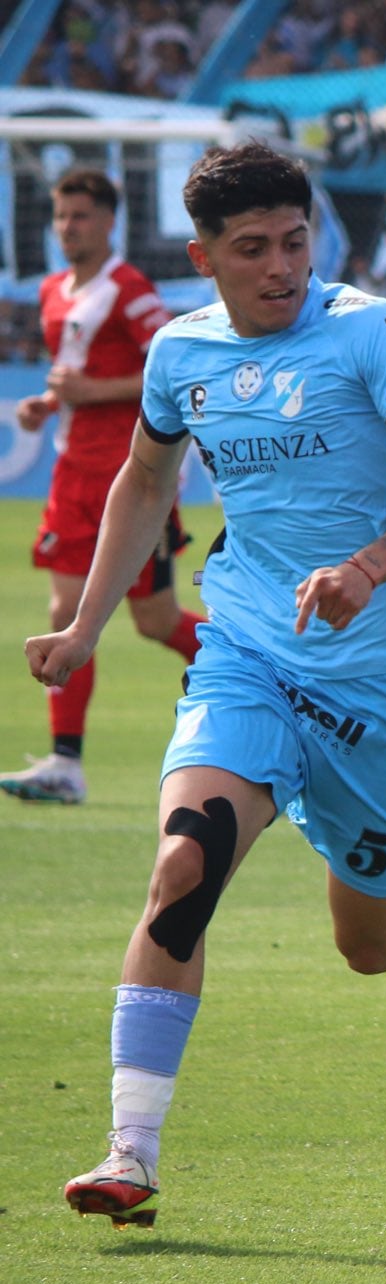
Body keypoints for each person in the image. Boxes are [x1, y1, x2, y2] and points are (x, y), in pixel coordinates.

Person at [25, 144, 386, 1231]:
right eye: (253, 250)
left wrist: (371, 566)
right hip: (245, 648)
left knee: (368, 945)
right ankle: (128, 1155)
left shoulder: (371, 332)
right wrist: (87, 623)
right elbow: (146, 478)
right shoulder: (178, 352)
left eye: (295, 242)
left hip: (380, 684)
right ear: (205, 257)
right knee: (183, 864)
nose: (281, 267)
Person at [5, 167, 199, 806]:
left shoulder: (129, 288)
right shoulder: (57, 291)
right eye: (61, 217)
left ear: (110, 221)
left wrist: (93, 394)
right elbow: (81, 379)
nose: (68, 228)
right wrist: (48, 404)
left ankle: (271, 679)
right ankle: (66, 762)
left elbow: (168, 366)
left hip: (130, 477)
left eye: (81, 216)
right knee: (64, 612)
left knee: (156, 621)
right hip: (71, 475)